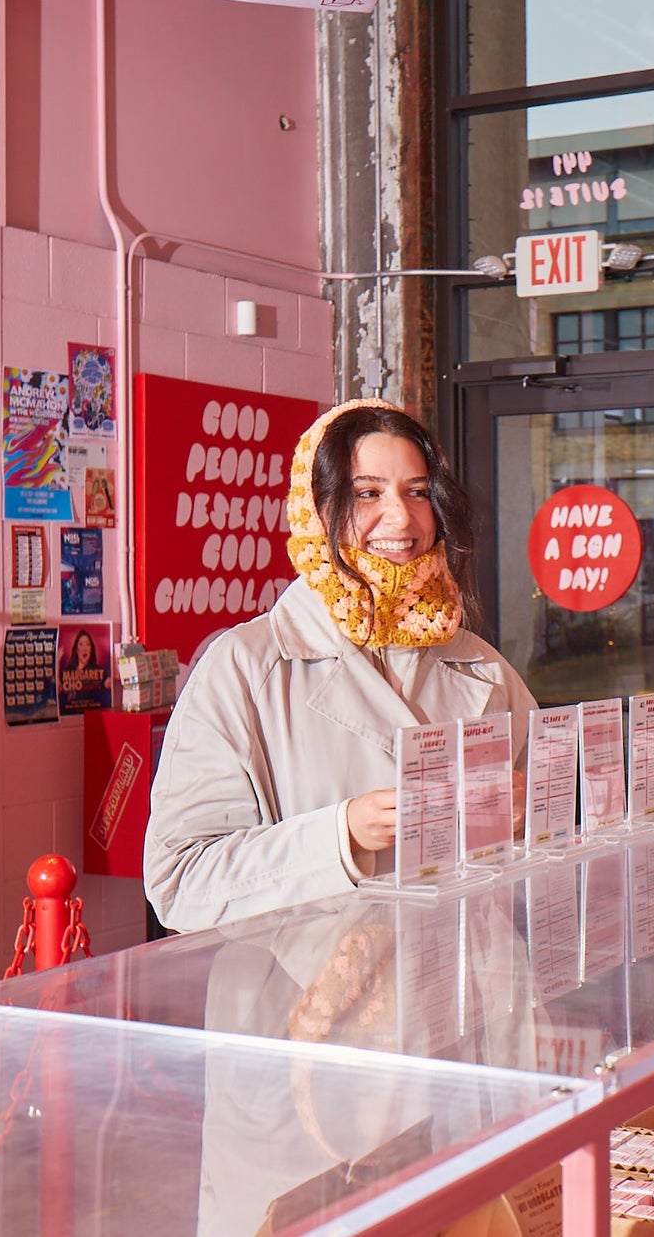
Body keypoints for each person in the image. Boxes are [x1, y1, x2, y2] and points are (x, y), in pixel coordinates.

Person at [145, 399, 536, 932]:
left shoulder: (483, 669)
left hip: (460, 994)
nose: (400, 516)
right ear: (316, 508)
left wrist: (525, 817)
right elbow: (180, 883)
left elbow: (567, 843)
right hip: (298, 1000)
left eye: (418, 492)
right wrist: (340, 836)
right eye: (367, 493)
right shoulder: (244, 667)